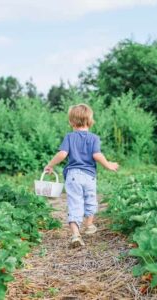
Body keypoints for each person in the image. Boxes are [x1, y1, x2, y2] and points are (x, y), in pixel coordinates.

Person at [44, 103, 119, 248]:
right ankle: (89, 224)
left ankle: (75, 235)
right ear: (90, 121)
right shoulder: (94, 138)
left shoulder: (70, 137)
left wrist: (50, 165)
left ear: (71, 122)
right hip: (89, 176)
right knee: (91, 200)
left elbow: (62, 154)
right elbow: (97, 155)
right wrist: (108, 164)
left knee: (75, 204)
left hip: (73, 176)